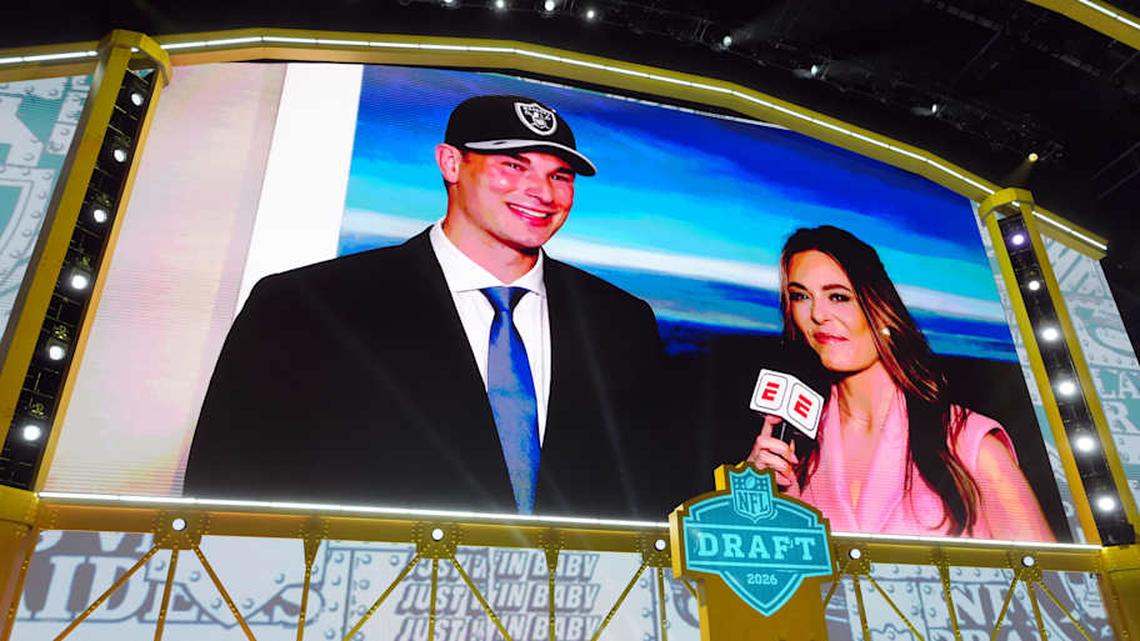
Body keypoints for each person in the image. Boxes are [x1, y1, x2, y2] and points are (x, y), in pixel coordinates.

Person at [183, 95, 670, 518]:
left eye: (559, 176)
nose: (542, 193)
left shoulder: (619, 320)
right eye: (513, 165)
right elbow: (225, 488)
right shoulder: (305, 305)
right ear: (451, 164)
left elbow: (651, 483)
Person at [747, 225, 1054, 540]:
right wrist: (758, 496)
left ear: (878, 305)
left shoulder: (969, 444)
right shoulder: (798, 449)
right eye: (801, 296)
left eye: (838, 296)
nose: (817, 314)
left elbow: (1054, 583)